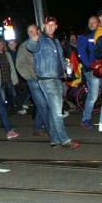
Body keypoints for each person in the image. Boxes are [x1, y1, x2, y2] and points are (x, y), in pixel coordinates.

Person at [27, 16, 80, 149]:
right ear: (44, 26)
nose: (50, 27)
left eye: (53, 24)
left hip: (56, 79)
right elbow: (31, 46)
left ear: (56, 26)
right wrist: (33, 38)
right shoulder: (40, 40)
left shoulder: (56, 41)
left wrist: (67, 69)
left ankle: (55, 139)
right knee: (57, 111)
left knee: (52, 110)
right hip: (46, 80)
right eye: (48, 24)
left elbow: (60, 58)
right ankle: (64, 140)